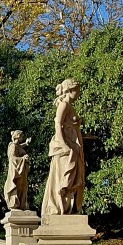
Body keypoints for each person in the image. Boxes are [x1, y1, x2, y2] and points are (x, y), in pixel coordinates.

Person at [41, 79, 85, 217]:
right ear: (69, 91)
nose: (78, 93)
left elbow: (68, 124)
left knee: (73, 177)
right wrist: (64, 145)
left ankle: (68, 209)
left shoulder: (70, 106)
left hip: (72, 145)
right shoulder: (64, 105)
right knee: (65, 177)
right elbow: (58, 125)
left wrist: (77, 122)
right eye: (77, 90)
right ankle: (60, 208)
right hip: (65, 147)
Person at [3, 130, 31, 211]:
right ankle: (16, 204)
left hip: (21, 170)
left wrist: (26, 143)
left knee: (22, 187)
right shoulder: (13, 146)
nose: (23, 137)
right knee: (18, 187)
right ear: (18, 136)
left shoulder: (17, 145)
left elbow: (20, 146)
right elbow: (12, 158)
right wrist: (23, 158)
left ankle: (22, 205)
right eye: (22, 136)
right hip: (17, 171)